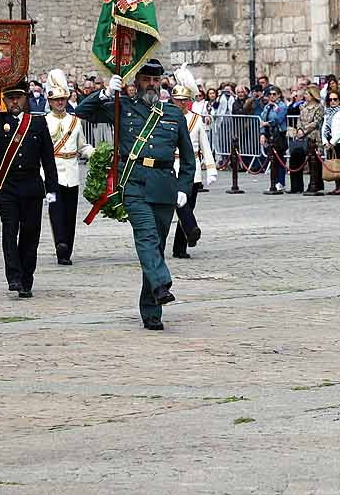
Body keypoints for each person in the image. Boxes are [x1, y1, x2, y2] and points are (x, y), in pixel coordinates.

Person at [74, 60, 194, 331]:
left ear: (162, 82)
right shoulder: (123, 106)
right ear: (136, 81)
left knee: (156, 247)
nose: (151, 84)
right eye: (146, 79)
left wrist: (184, 189)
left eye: (155, 79)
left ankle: (152, 308)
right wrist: (104, 93)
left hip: (164, 186)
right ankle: (162, 284)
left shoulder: (174, 115)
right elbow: (82, 111)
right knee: (147, 236)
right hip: (135, 185)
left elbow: (188, 158)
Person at [0, 85, 60, 298]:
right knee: (9, 230)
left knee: (30, 234)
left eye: (18, 98)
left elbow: (48, 158)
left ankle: (26, 278)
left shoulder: (37, 122)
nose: (14, 102)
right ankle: (13, 276)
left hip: (31, 186)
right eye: (10, 98)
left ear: (25, 99)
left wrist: (52, 188)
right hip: (7, 186)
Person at [43, 70, 90, 265]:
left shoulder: (75, 121)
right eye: (56, 100)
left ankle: (67, 250)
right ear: (50, 101)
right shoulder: (43, 121)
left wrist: (97, 153)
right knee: (55, 210)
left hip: (71, 172)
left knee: (70, 214)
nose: (60, 102)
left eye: (63, 99)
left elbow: (83, 146)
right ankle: (60, 244)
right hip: (51, 173)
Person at [169, 82, 219, 258]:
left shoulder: (196, 119)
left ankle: (179, 248)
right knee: (180, 206)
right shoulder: (166, 117)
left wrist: (211, 169)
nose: (181, 103)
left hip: (194, 169)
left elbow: (205, 145)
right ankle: (191, 228)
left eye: (184, 100)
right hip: (172, 167)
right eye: (178, 100)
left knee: (189, 205)